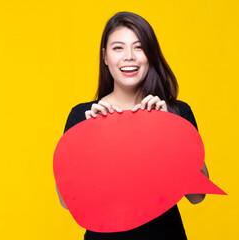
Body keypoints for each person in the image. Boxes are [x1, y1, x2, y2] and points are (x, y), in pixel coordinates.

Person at [56, 11, 210, 240]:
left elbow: (198, 195)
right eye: (118, 48)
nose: (129, 56)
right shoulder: (82, 116)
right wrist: (88, 139)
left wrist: (171, 130)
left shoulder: (176, 111)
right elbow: (67, 202)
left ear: (151, 54)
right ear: (105, 57)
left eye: (139, 47)